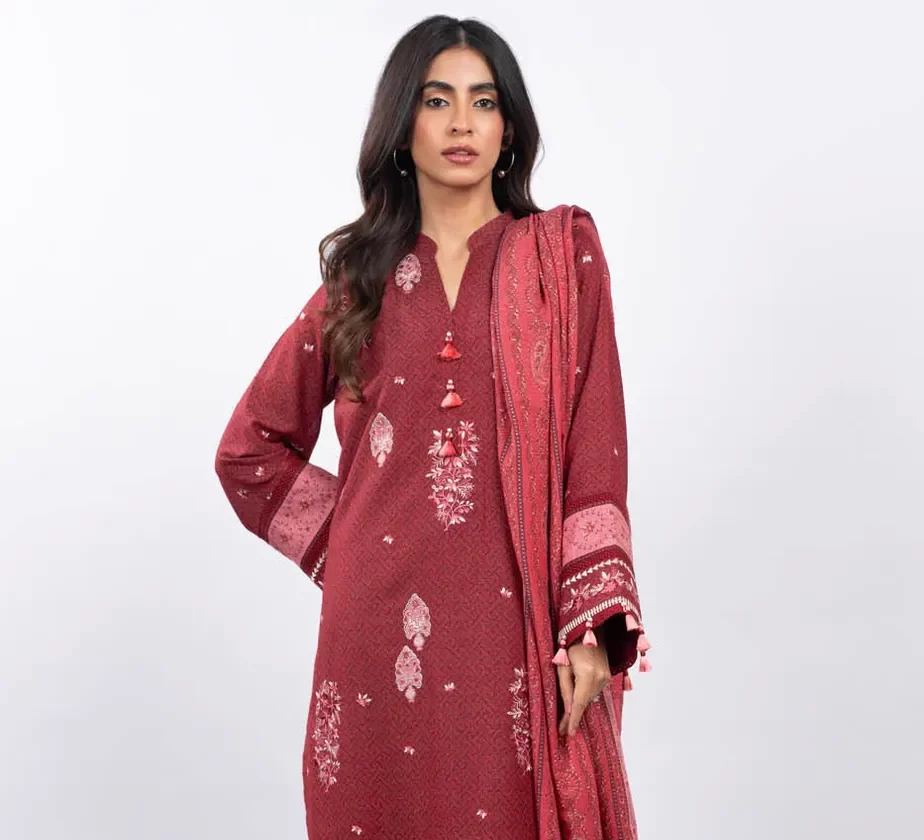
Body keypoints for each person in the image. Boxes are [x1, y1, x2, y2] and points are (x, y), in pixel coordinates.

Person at [214, 14, 651, 840]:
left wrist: (592, 628)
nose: (461, 123)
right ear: (401, 126)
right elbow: (248, 452)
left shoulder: (561, 259)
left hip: (516, 635)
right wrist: (348, 545)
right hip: (374, 638)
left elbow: (596, 449)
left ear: (508, 127)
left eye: (483, 102)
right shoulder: (358, 283)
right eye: (436, 100)